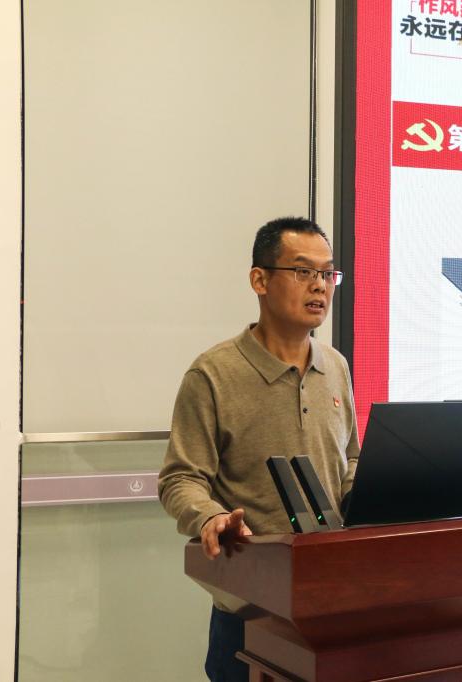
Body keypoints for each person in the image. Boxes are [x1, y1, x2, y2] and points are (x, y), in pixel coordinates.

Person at [157, 216, 359, 682]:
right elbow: (180, 478)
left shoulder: (336, 366)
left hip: (331, 602)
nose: (320, 286)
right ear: (259, 280)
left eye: (327, 273)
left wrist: (369, 496)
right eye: (303, 271)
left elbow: (349, 458)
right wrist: (210, 517)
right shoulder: (213, 374)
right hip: (250, 610)